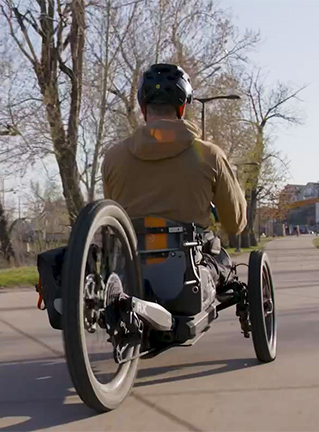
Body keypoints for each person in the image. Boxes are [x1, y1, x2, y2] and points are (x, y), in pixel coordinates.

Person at [101, 63, 247, 301]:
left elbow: (110, 216)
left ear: (142, 107)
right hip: (188, 279)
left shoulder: (113, 158)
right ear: (182, 106)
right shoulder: (209, 155)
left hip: (130, 274)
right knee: (220, 258)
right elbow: (235, 222)